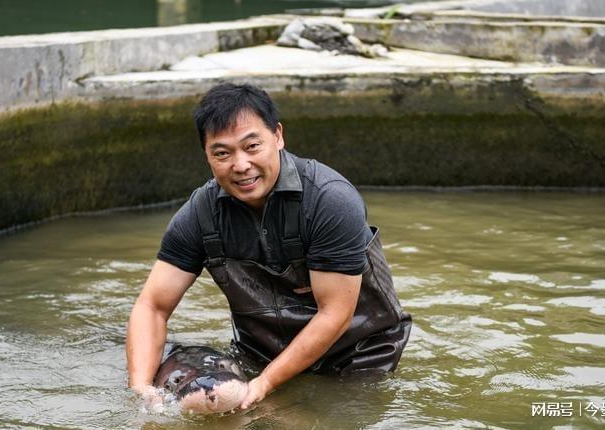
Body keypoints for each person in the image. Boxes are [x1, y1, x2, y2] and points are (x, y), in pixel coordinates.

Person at [125, 83, 411, 409]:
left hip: (357, 356)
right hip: (260, 353)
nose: (241, 165)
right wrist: (141, 388)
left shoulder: (330, 200)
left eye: (252, 146)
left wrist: (265, 384)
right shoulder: (199, 214)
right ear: (206, 154)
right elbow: (152, 307)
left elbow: (336, 314)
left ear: (278, 136)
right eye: (222, 153)